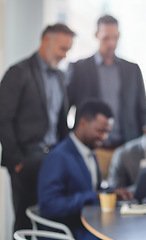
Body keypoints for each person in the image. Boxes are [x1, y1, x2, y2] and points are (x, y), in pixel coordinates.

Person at [0, 23, 75, 233]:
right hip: (26, 161)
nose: (64, 55)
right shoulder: (18, 72)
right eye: (62, 48)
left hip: (53, 159)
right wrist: (16, 162)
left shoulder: (60, 77)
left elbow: (61, 122)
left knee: (53, 220)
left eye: (68, 49)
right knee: (25, 221)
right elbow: (3, 118)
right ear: (45, 42)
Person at [67, 15, 146, 179]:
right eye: (106, 38)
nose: (111, 43)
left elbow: (142, 109)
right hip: (92, 150)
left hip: (125, 149)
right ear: (96, 35)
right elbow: (64, 108)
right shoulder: (79, 68)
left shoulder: (132, 70)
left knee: (126, 198)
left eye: (115, 38)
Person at [37, 100, 113, 240]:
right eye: (100, 131)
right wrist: (92, 196)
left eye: (106, 132)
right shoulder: (59, 157)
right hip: (68, 232)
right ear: (83, 123)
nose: (103, 137)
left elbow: (89, 187)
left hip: (88, 225)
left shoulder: (90, 151)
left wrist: (108, 192)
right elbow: (49, 206)